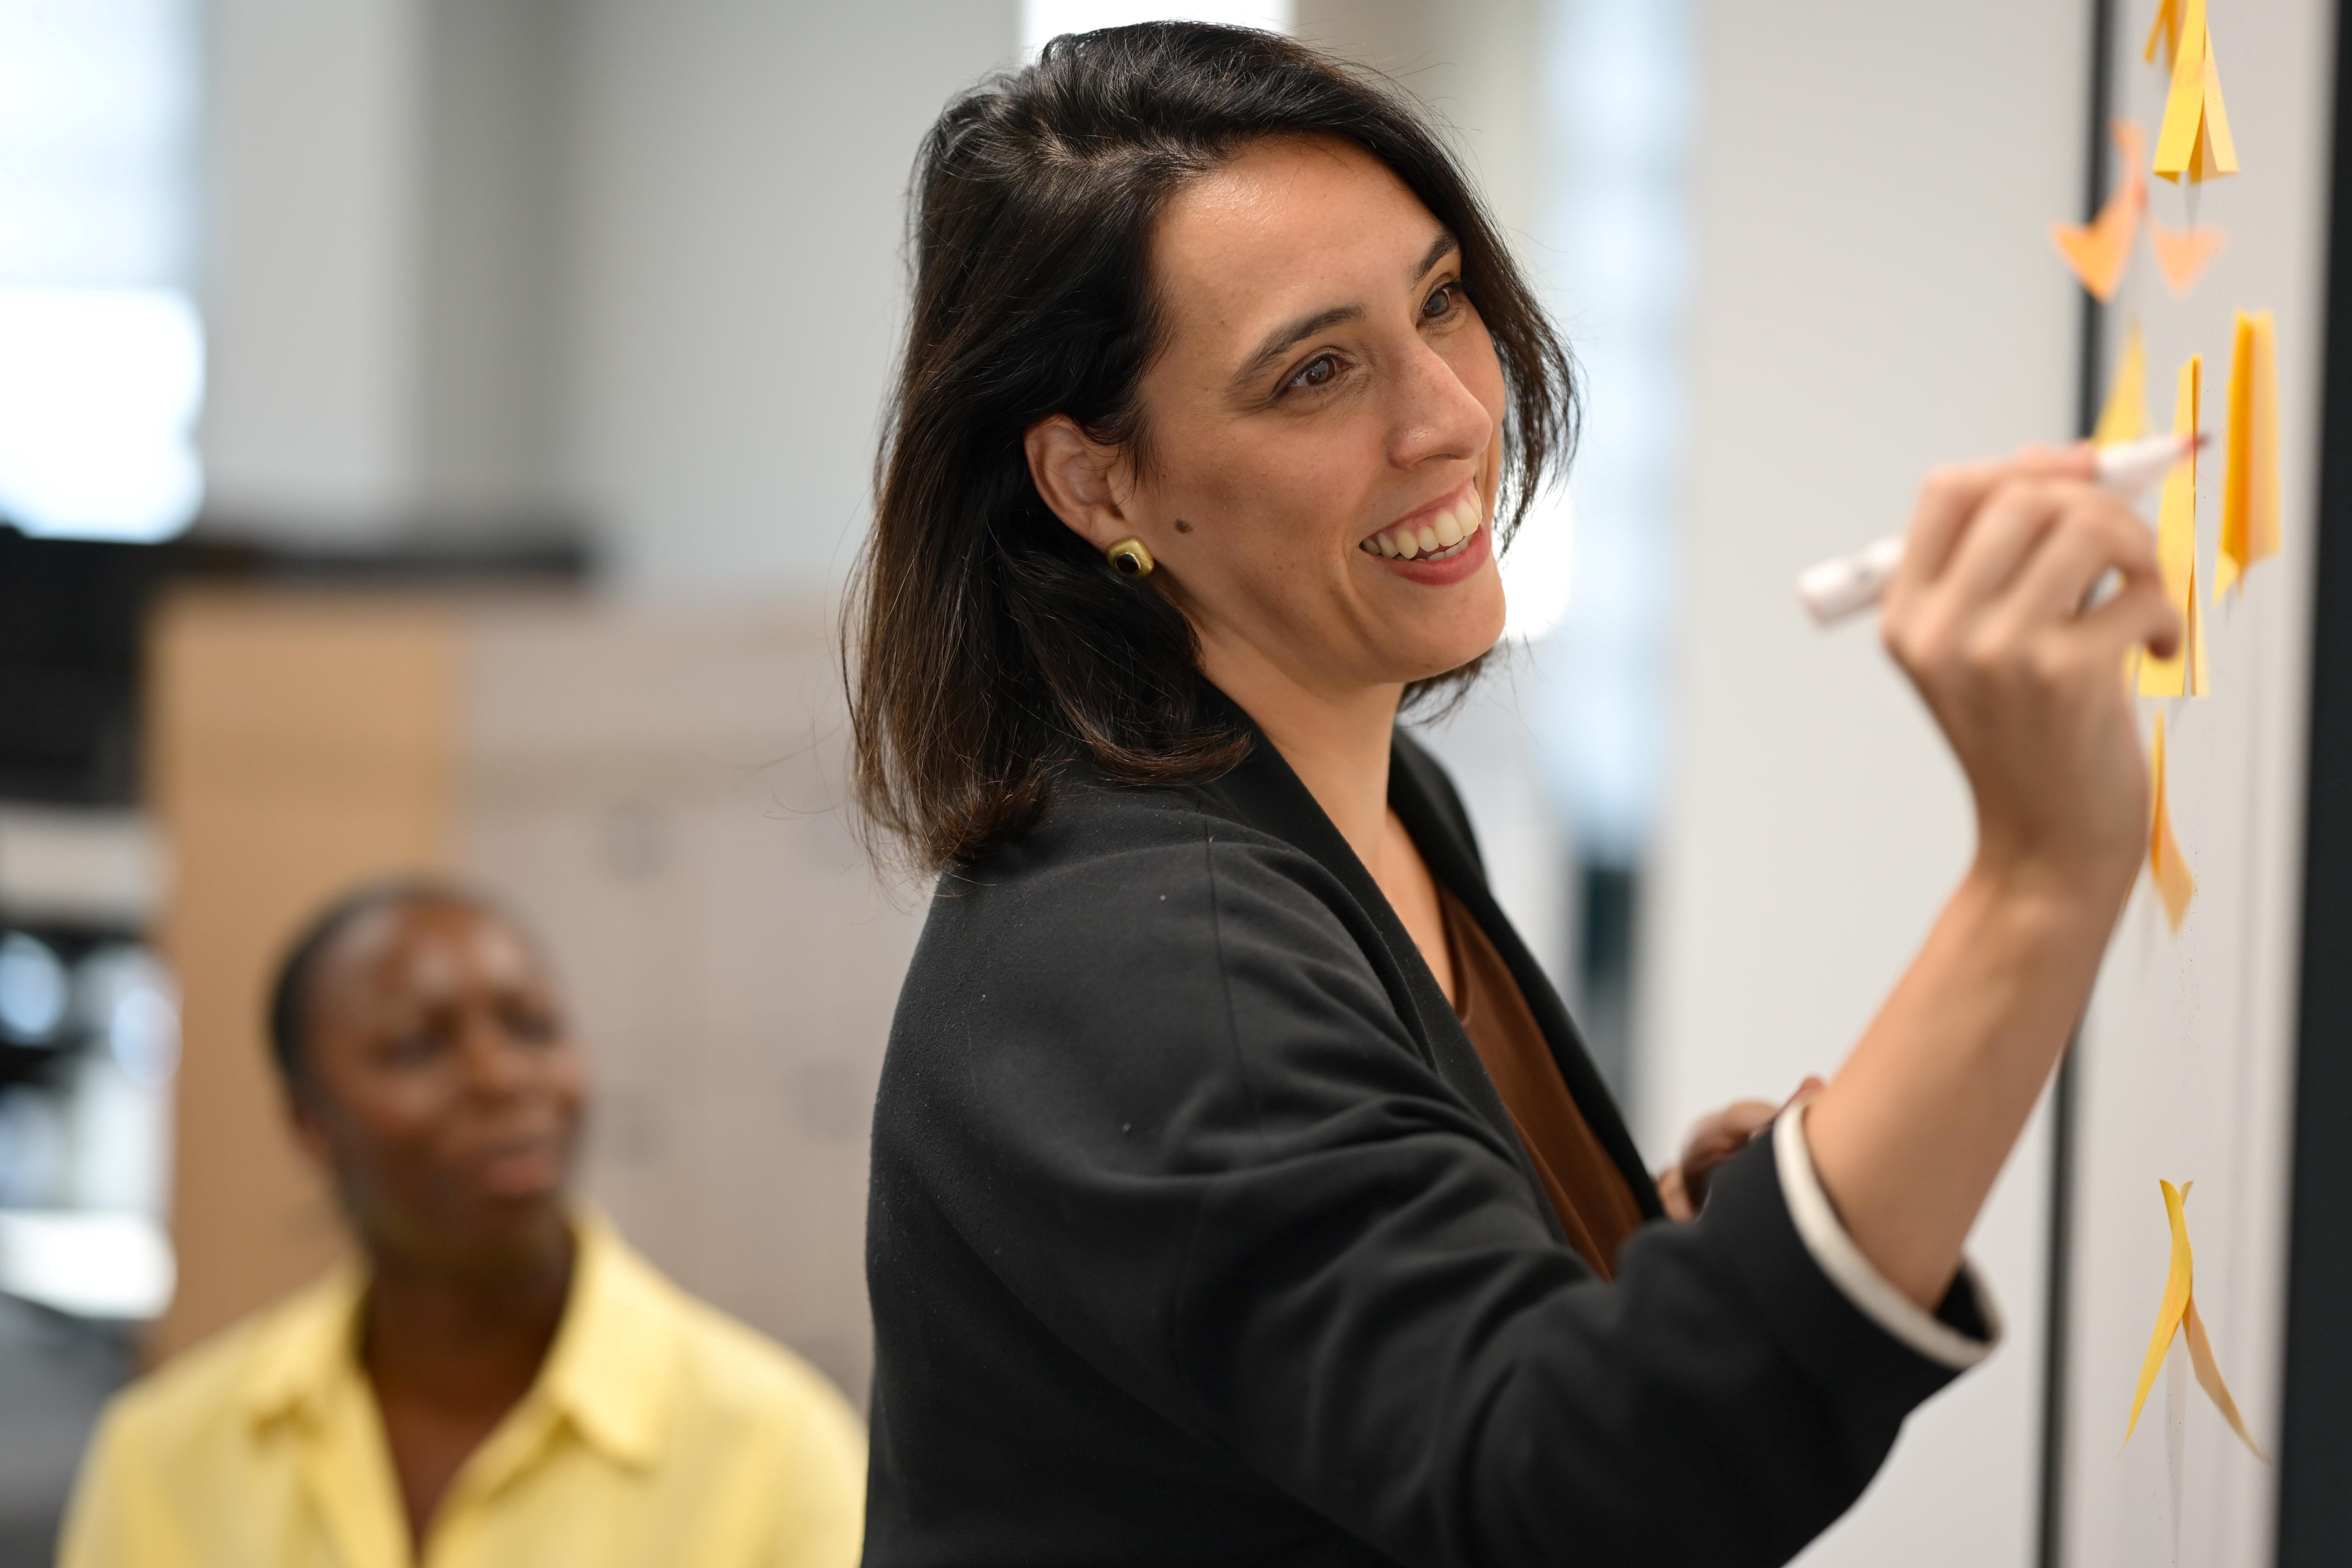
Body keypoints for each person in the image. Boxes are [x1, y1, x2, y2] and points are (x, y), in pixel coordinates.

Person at [846, 23, 2175, 1567]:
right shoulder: (1148, 953)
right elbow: (1571, 1498)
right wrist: (2039, 875)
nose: (1449, 417)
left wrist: (1646, 1252)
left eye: (1441, 301)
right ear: (1100, 485)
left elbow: (1412, 1388)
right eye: (1317, 372)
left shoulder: (1372, 798)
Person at [60, 882, 866, 1568]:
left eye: (532, 1026)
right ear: (310, 1122)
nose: (499, 1075)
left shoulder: (776, 1447)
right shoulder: (165, 1454)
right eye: (416, 1046)